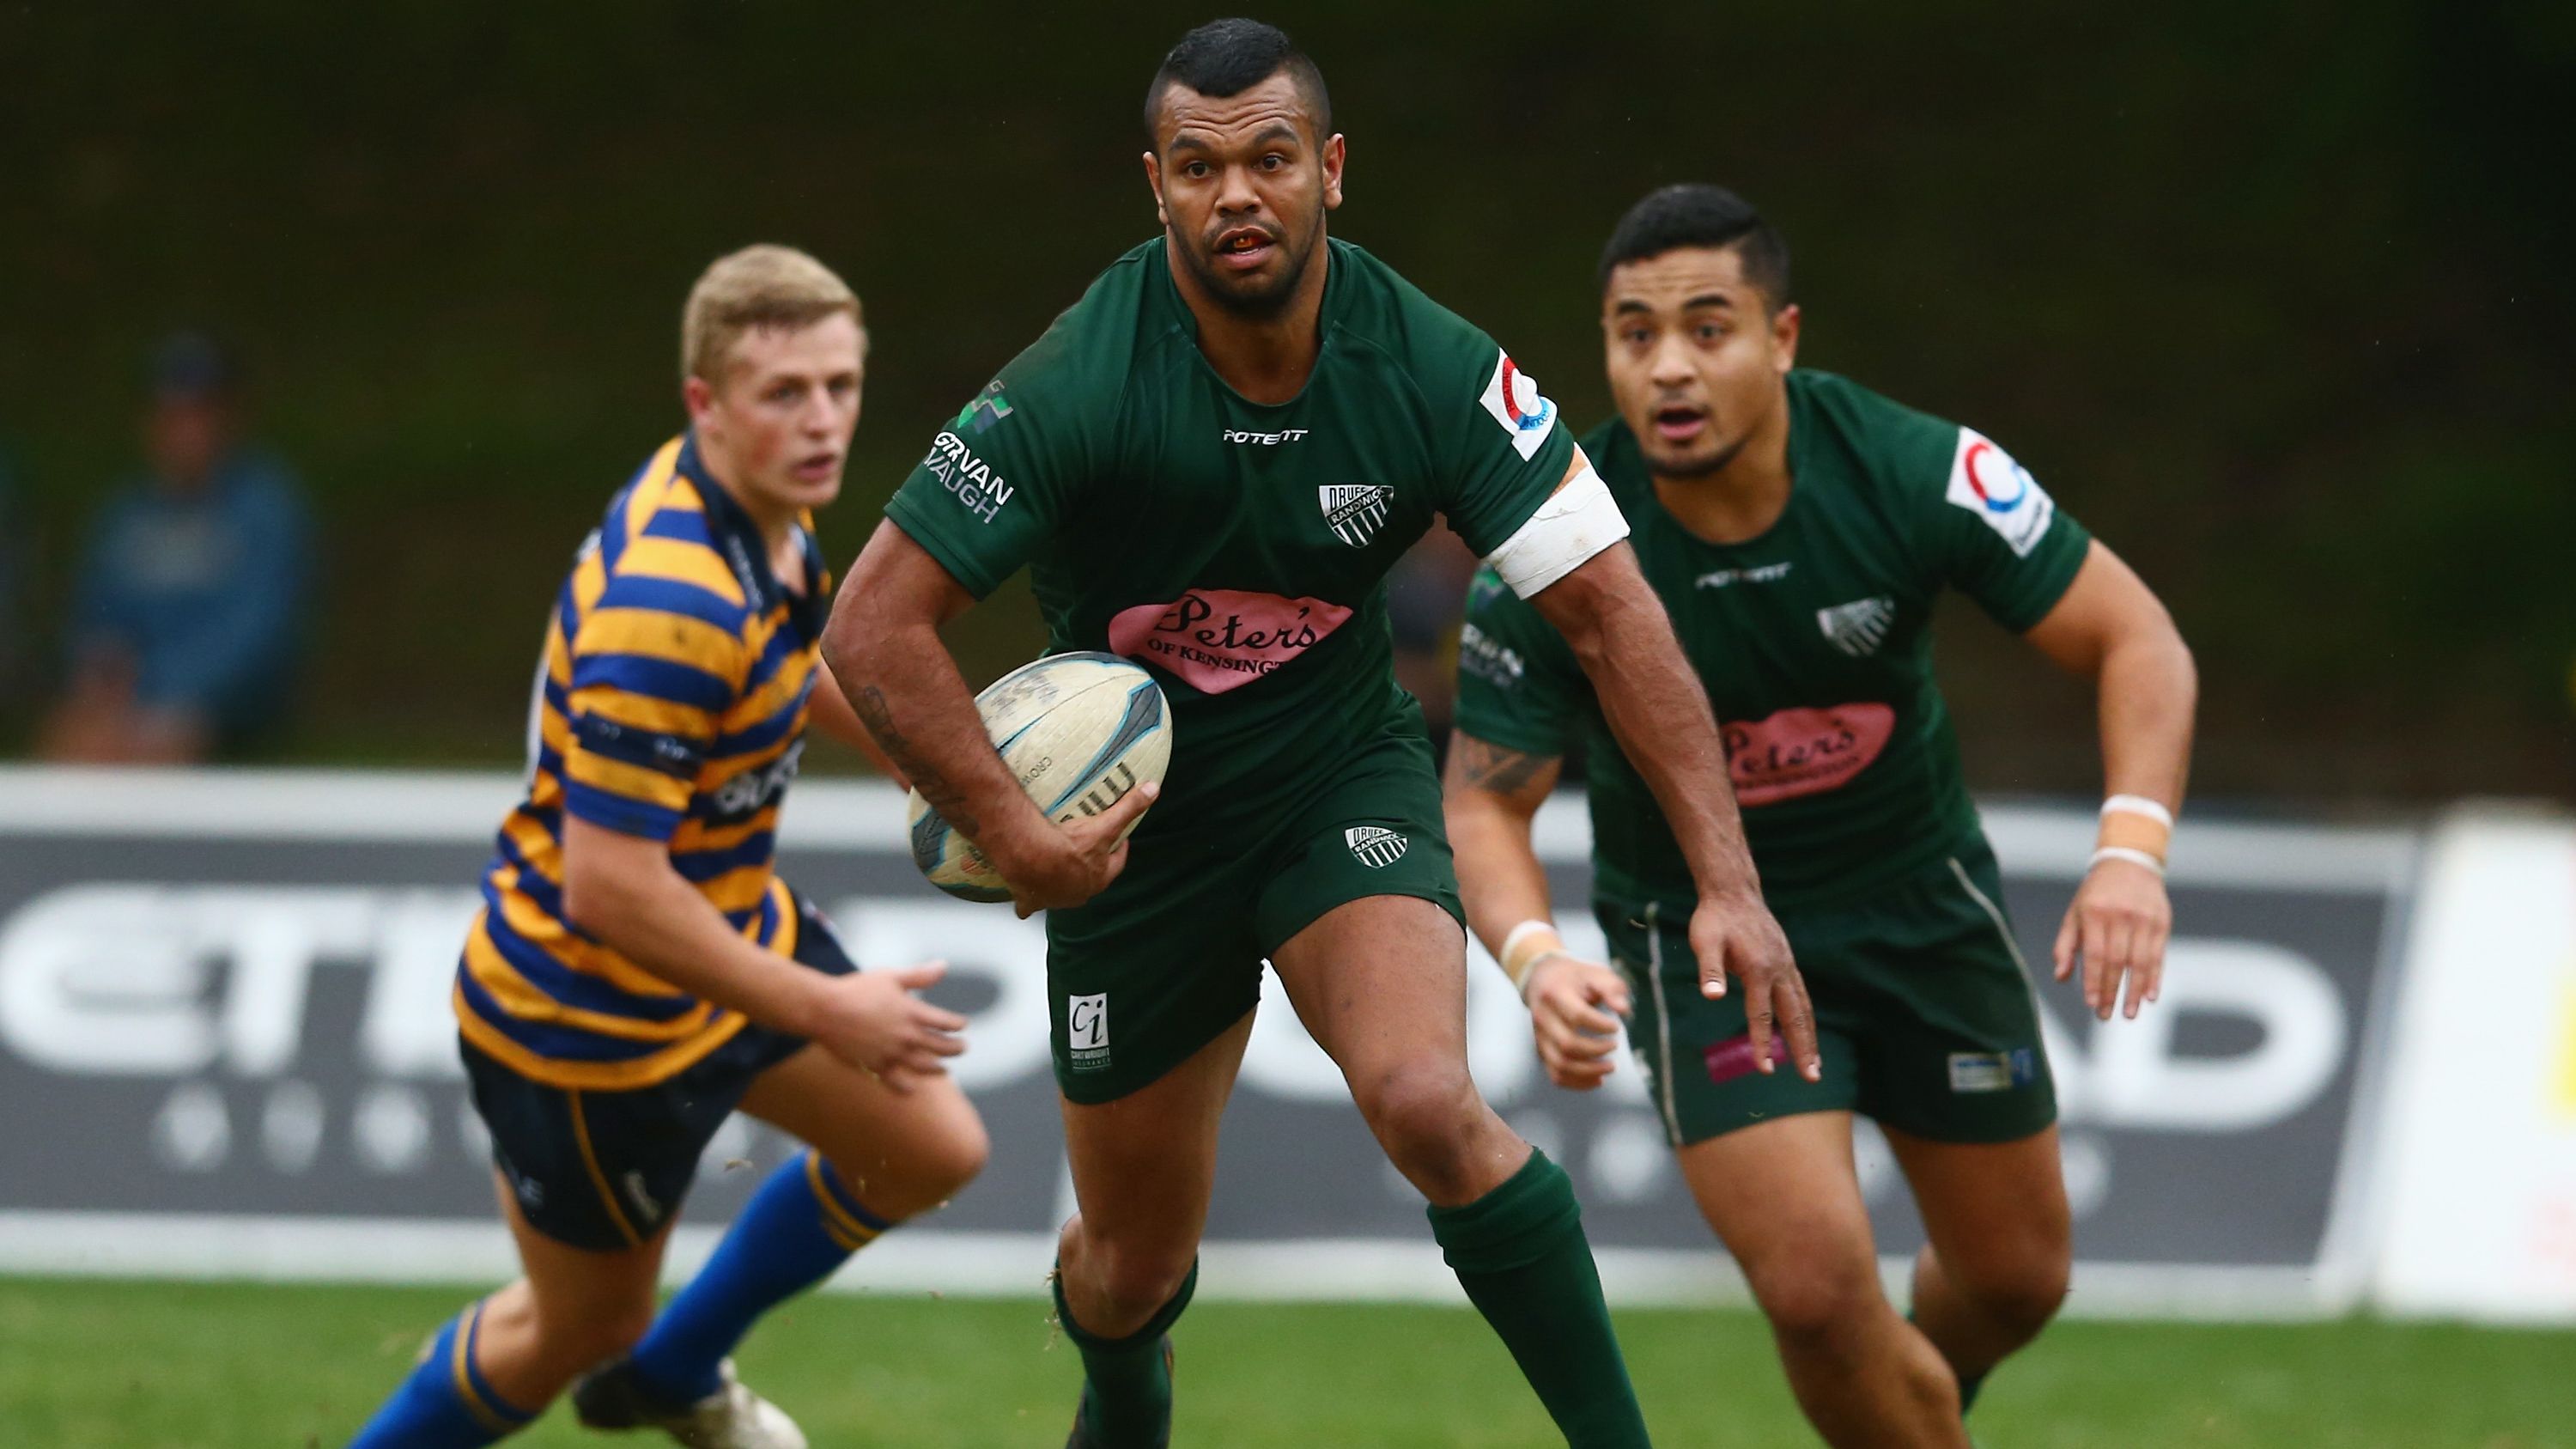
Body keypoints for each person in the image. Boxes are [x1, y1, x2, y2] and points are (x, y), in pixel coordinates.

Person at [826, 23, 1818, 1449]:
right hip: (1132, 838)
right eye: (1200, 166)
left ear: (1330, 173)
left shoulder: (1427, 364)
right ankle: (1121, 1392)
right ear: (1155, 187)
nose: (1238, 193)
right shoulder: (1079, 382)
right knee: (1126, 1269)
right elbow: (872, 627)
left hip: (1333, 776)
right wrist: (1020, 832)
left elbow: (1616, 616)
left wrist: (1731, 880)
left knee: (1427, 1100)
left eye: (1271, 159)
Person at [1444, 185, 2198, 1447]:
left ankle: (1887, 1407)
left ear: (1783, 337)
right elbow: (1482, 799)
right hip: (1705, 945)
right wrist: (1536, 958)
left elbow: (2139, 638)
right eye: (1635, 334)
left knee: (2018, 1277)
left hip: (1919, 899)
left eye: (1709, 327)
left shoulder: (1914, 470)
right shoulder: (1555, 538)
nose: (1670, 367)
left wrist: (2132, 852)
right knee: (1815, 1288)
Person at [345, 247, 989, 1449]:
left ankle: (675, 1373)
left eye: (841, 385)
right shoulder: (672, 599)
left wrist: (939, 769)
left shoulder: (758, 512)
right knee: (573, 1328)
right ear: (706, 403)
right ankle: (610, 1368)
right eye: (784, 392)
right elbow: (609, 886)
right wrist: (827, 1005)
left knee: (927, 1145)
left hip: (723, 924)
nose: (822, 420)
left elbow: (801, 656)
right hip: (588, 1014)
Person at [39, 334, 311, 762]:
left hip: (217, 712)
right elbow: (96, 618)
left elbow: (257, 636)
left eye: (199, 415)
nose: (185, 432)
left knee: (155, 744)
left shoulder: (264, 513)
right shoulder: (124, 515)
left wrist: (159, 691)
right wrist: (100, 680)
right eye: (172, 415)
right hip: (127, 704)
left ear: (229, 420)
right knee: (72, 737)